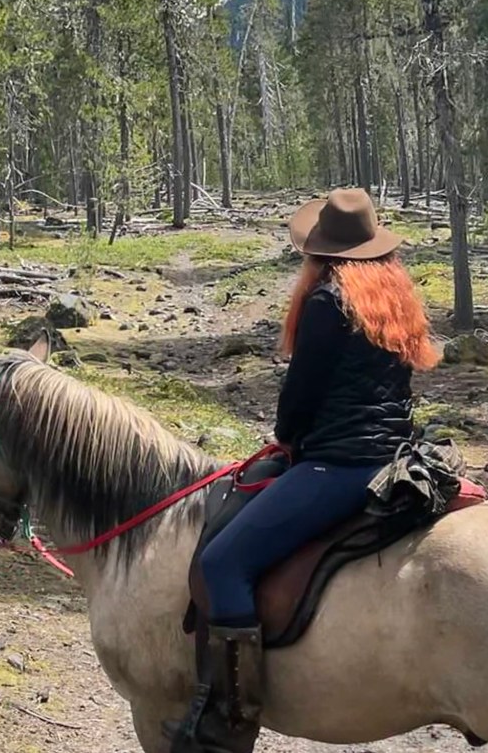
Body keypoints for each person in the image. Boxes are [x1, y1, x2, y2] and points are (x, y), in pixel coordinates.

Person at [165, 188, 438, 753]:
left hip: (341, 465)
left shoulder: (327, 301)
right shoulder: (394, 298)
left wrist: (288, 438)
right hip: (397, 457)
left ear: (321, 252)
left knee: (221, 563)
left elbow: (301, 397)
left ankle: (230, 720)